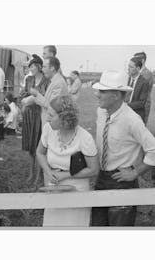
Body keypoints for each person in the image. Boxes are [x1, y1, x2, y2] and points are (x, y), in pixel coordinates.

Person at [91, 71, 155, 226]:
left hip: (121, 182)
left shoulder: (132, 120)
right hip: (101, 178)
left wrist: (135, 173)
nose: (98, 95)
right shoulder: (101, 112)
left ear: (117, 95)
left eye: (103, 91)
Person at [36, 95, 99, 226]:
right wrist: (48, 172)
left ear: (64, 118)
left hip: (77, 190)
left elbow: (93, 169)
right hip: (54, 187)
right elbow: (40, 153)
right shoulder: (48, 129)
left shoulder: (85, 138)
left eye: (51, 115)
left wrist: (65, 175)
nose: (47, 119)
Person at [20, 55, 50, 186]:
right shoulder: (29, 79)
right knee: (31, 146)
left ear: (38, 66)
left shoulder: (46, 81)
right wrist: (24, 98)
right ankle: (31, 172)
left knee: (39, 145)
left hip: (40, 115)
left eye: (32, 66)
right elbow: (24, 94)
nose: (30, 69)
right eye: (29, 67)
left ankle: (39, 175)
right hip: (29, 114)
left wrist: (33, 96)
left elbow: (45, 98)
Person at [27, 57, 68, 127]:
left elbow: (52, 106)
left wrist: (36, 94)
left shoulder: (58, 83)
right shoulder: (54, 81)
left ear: (52, 68)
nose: (42, 70)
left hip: (53, 125)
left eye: (44, 67)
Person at [126, 57, 150, 122]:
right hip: (124, 114)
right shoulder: (126, 80)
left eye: (131, 67)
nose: (128, 69)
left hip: (136, 115)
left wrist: (125, 105)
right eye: (128, 66)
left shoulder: (144, 82)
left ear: (138, 69)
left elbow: (141, 103)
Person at [134, 52, 154, 123]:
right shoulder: (135, 73)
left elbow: (137, 89)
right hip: (134, 105)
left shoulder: (147, 74)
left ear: (142, 61)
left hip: (142, 106)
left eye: (136, 60)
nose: (134, 61)